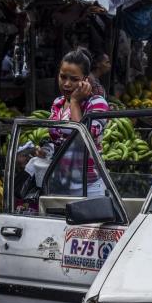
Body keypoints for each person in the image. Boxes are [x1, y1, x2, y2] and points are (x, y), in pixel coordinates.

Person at [48, 49, 109, 196]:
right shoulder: (58, 103)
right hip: (60, 184)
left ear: (85, 80)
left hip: (89, 187)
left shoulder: (97, 104)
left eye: (74, 79)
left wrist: (75, 102)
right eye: (63, 77)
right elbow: (57, 140)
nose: (66, 84)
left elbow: (83, 140)